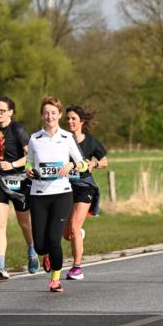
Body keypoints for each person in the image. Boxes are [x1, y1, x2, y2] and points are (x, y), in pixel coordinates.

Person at [26, 96, 89, 293]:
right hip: (38, 194)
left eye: (53, 113)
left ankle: (55, 279)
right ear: (42, 115)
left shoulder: (67, 138)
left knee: (54, 239)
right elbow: (28, 162)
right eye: (46, 113)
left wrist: (71, 164)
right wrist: (28, 170)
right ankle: (47, 255)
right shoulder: (34, 138)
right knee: (40, 245)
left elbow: (84, 164)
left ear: (59, 115)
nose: (50, 116)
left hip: (62, 194)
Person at [0, 96, 36, 279]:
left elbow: (31, 156)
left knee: (24, 223)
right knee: (0, 224)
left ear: (10, 112)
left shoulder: (18, 130)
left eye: (2, 111)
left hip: (20, 181)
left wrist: (13, 165)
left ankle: (32, 250)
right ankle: (0, 266)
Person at [62, 104, 108, 281]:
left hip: (85, 186)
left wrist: (93, 164)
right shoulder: (63, 139)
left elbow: (104, 161)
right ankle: (78, 234)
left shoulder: (90, 141)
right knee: (68, 234)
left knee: (74, 225)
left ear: (81, 121)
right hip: (66, 187)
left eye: (74, 118)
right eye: (68, 119)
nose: (70, 122)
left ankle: (77, 268)